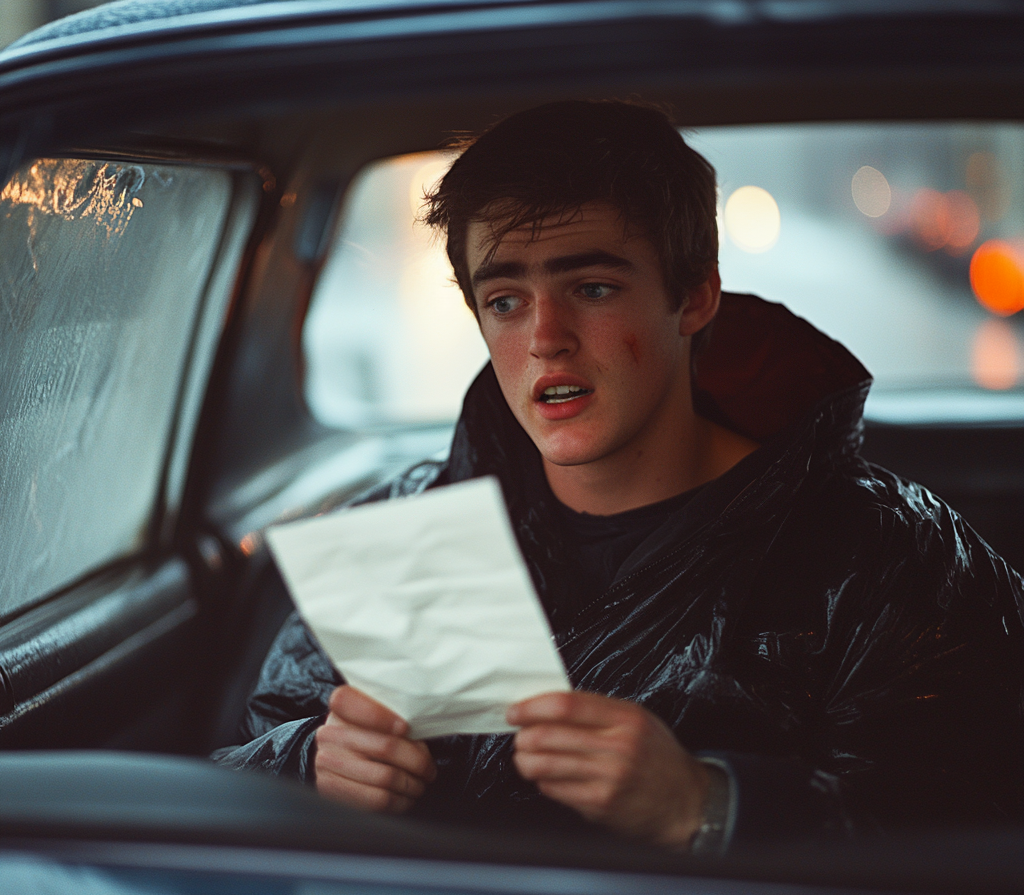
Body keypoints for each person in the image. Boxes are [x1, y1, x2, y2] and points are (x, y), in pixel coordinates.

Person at [214, 101, 1024, 852]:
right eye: (505, 301)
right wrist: (310, 768)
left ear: (696, 295)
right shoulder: (402, 537)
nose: (547, 339)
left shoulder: (886, 560)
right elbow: (238, 772)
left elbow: (971, 838)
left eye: (592, 287)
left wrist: (708, 805)